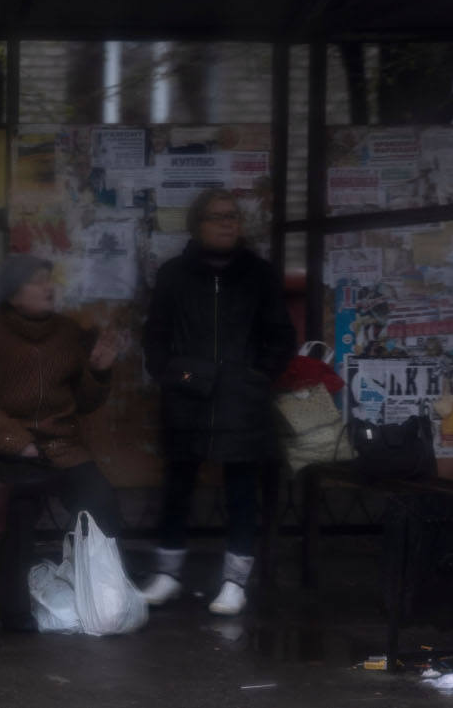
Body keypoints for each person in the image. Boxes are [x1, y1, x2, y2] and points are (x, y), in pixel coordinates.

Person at [140, 189, 296, 616]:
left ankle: (234, 582)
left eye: (234, 216)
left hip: (241, 398)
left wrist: (254, 377)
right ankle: (168, 575)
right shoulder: (173, 274)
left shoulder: (259, 274)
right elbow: (155, 340)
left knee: (242, 488)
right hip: (188, 395)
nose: (228, 223)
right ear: (198, 224)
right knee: (178, 485)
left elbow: (280, 336)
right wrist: (183, 375)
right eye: (218, 217)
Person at [0, 254, 123, 632]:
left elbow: (84, 401)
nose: (48, 287)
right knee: (16, 516)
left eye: (49, 280)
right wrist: (14, 440)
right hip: (10, 451)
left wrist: (98, 371)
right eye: (37, 281)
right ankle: (15, 611)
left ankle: (102, 596)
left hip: (62, 446)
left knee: (102, 503)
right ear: (14, 294)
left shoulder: (66, 332)